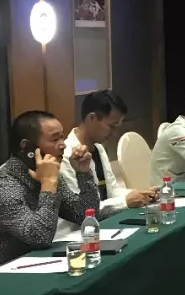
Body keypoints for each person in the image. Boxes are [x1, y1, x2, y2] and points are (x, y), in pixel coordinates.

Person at [0, 111, 100, 271]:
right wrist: (48, 184)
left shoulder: (47, 175)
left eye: (62, 137)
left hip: (28, 267)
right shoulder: (3, 187)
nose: (63, 145)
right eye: (55, 139)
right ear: (27, 147)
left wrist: (83, 173)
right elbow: (40, 237)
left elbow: (84, 215)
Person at [56, 91, 157, 238]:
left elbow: (112, 190)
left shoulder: (98, 148)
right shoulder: (67, 156)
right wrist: (125, 201)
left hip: (104, 225)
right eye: (112, 126)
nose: (114, 133)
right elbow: (82, 210)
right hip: (77, 233)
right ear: (92, 118)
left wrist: (141, 194)